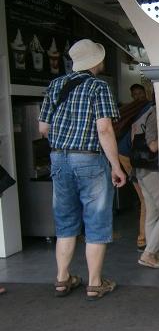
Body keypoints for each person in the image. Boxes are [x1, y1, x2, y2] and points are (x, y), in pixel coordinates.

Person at [38, 38, 126, 300]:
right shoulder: (98, 86)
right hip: (89, 159)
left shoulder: (55, 85)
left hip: (58, 158)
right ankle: (95, 283)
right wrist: (116, 166)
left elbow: (43, 128)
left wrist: (65, 140)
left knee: (65, 221)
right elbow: (104, 129)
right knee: (96, 221)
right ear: (96, 60)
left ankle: (62, 279)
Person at [116, 84, 151, 252]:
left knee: (146, 197)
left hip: (125, 153)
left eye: (140, 93)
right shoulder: (147, 107)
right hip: (130, 155)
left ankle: (146, 238)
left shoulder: (133, 109)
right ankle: (143, 240)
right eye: (135, 94)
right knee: (146, 198)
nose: (139, 96)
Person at [130, 100, 159, 269]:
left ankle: (152, 254)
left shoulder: (147, 112)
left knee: (152, 214)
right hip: (151, 170)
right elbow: (153, 145)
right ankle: (149, 254)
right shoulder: (156, 113)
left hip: (142, 170)